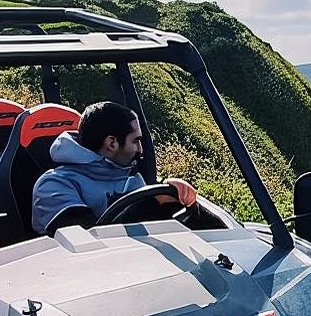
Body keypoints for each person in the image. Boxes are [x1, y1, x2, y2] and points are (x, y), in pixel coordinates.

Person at [31, 101, 198, 235]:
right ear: (112, 143)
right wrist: (152, 203)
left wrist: (172, 193)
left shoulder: (131, 178)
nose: (140, 149)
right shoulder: (52, 185)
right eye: (135, 141)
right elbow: (90, 240)